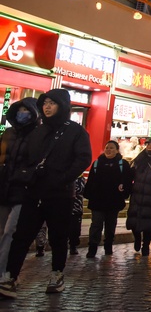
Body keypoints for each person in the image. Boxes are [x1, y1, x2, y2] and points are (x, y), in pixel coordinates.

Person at [1, 89, 91, 297]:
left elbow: (83, 158)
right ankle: (10, 277)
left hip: (60, 193)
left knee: (58, 237)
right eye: (45, 103)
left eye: (52, 103)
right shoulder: (38, 131)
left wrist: (63, 178)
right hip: (34, 191)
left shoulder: (76, 132)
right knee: (21, 236)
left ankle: (56, 275)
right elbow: (26, 156)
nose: (47, 107)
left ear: (63, 105)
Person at [0, 98, 39, 288]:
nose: (21, 113)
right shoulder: (8, 133)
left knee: (10, 232)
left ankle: (4, 273)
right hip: (3, 187)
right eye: (19, 109)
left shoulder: (37, 135)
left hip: (22, 190)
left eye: (26, 110)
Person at [83, 140, 132, 258]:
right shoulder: (97, 163)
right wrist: (88, 194)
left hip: (113, 201)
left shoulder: (122, 164)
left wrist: (124, 190)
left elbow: (128, 181)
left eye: (111, 148)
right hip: (97, 201)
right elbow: (90, 181)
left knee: (110, 225)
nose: (109, 150)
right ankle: (92, 247)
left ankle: (108, 246)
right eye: (107, 148)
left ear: (116, 150)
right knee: (96, 225)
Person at [67, 174, 86, 255]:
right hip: (64, 206)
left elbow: (81, 189)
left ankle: (73, 246)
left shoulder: (80, 177)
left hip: (76, 207)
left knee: (75, 228)